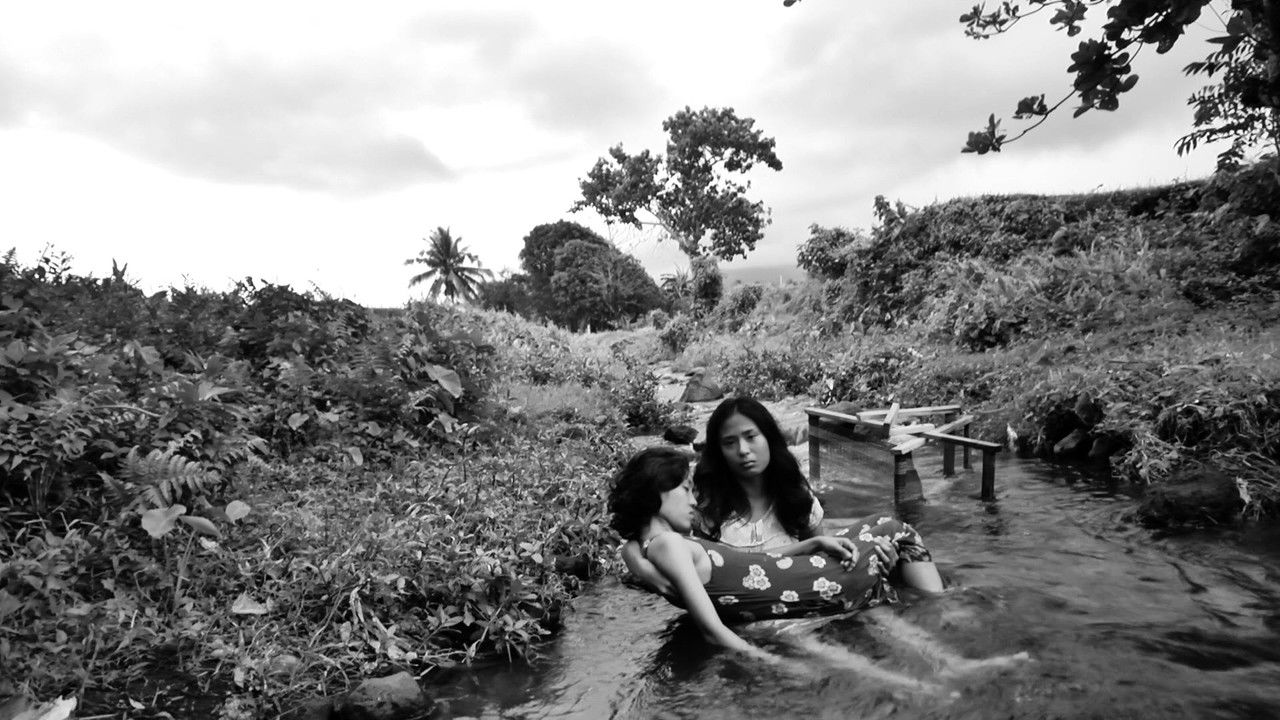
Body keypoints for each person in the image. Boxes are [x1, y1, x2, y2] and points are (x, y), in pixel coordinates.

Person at [623, 395, 945, 594]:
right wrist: (641, 568)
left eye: (751, 437)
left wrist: (880, 564)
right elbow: (644, 536)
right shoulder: (704, 503)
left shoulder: (796, 494)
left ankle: (940, 609)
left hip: (811, 601)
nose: (743, 451)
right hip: (753, 615)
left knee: (896, 543)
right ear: (717, 451)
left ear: (770, 439)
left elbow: (830, 557)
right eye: (729, 442)